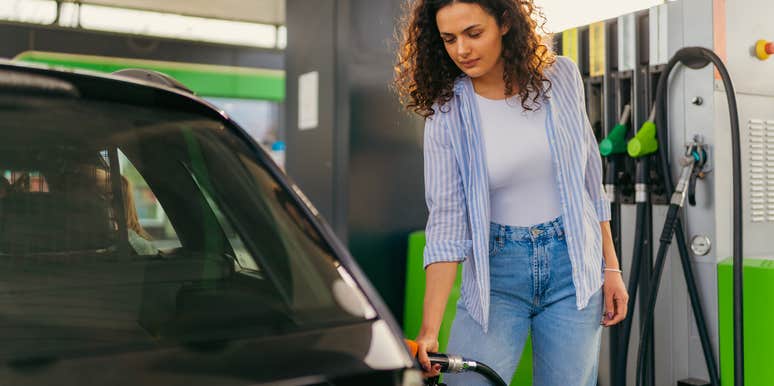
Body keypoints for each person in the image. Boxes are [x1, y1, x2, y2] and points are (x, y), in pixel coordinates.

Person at [394, 1, 629, 385]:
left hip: (573, 267)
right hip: (497, 275)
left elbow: (588, 182)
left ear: (504, 22)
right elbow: (447, 223)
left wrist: (611, 268)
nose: (462, 50)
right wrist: (429, 330)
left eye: (473, 33)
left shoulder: (561, 77)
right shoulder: (447, 111)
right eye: (449, 39)